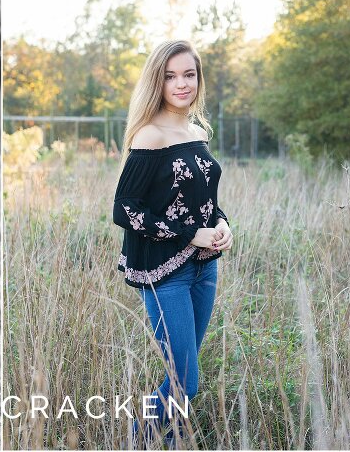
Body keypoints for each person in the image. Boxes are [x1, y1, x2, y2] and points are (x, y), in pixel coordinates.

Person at [112, 39, 233, 448]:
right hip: (165, 274)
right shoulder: (150, 136)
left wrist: (222, 223)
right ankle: (137, 439)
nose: (182, 84)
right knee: (186, 381)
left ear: (199, 79)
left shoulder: (197, 132)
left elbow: (204, 200)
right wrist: (189, 234)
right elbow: (124, 209)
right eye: (170, 76)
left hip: (205, 267)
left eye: (189, 74)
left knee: (182, 373)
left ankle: (165, 440)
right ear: (157, 82)